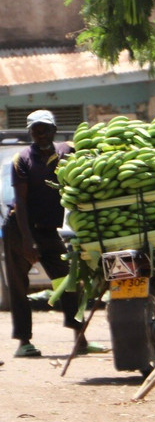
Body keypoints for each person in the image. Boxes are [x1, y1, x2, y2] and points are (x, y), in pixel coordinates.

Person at [2, 109, 91, 357]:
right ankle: (24, 342)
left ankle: (79, 337)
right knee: (19, 286)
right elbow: (20, 201)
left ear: (54, 129)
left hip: (49, 230)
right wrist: (28, 241)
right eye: (36, 130)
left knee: (67, 281)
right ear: (31, 132)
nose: (41, 134)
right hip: (20, 230)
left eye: (45, 129)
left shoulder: (67, 152)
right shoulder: (22, 160)